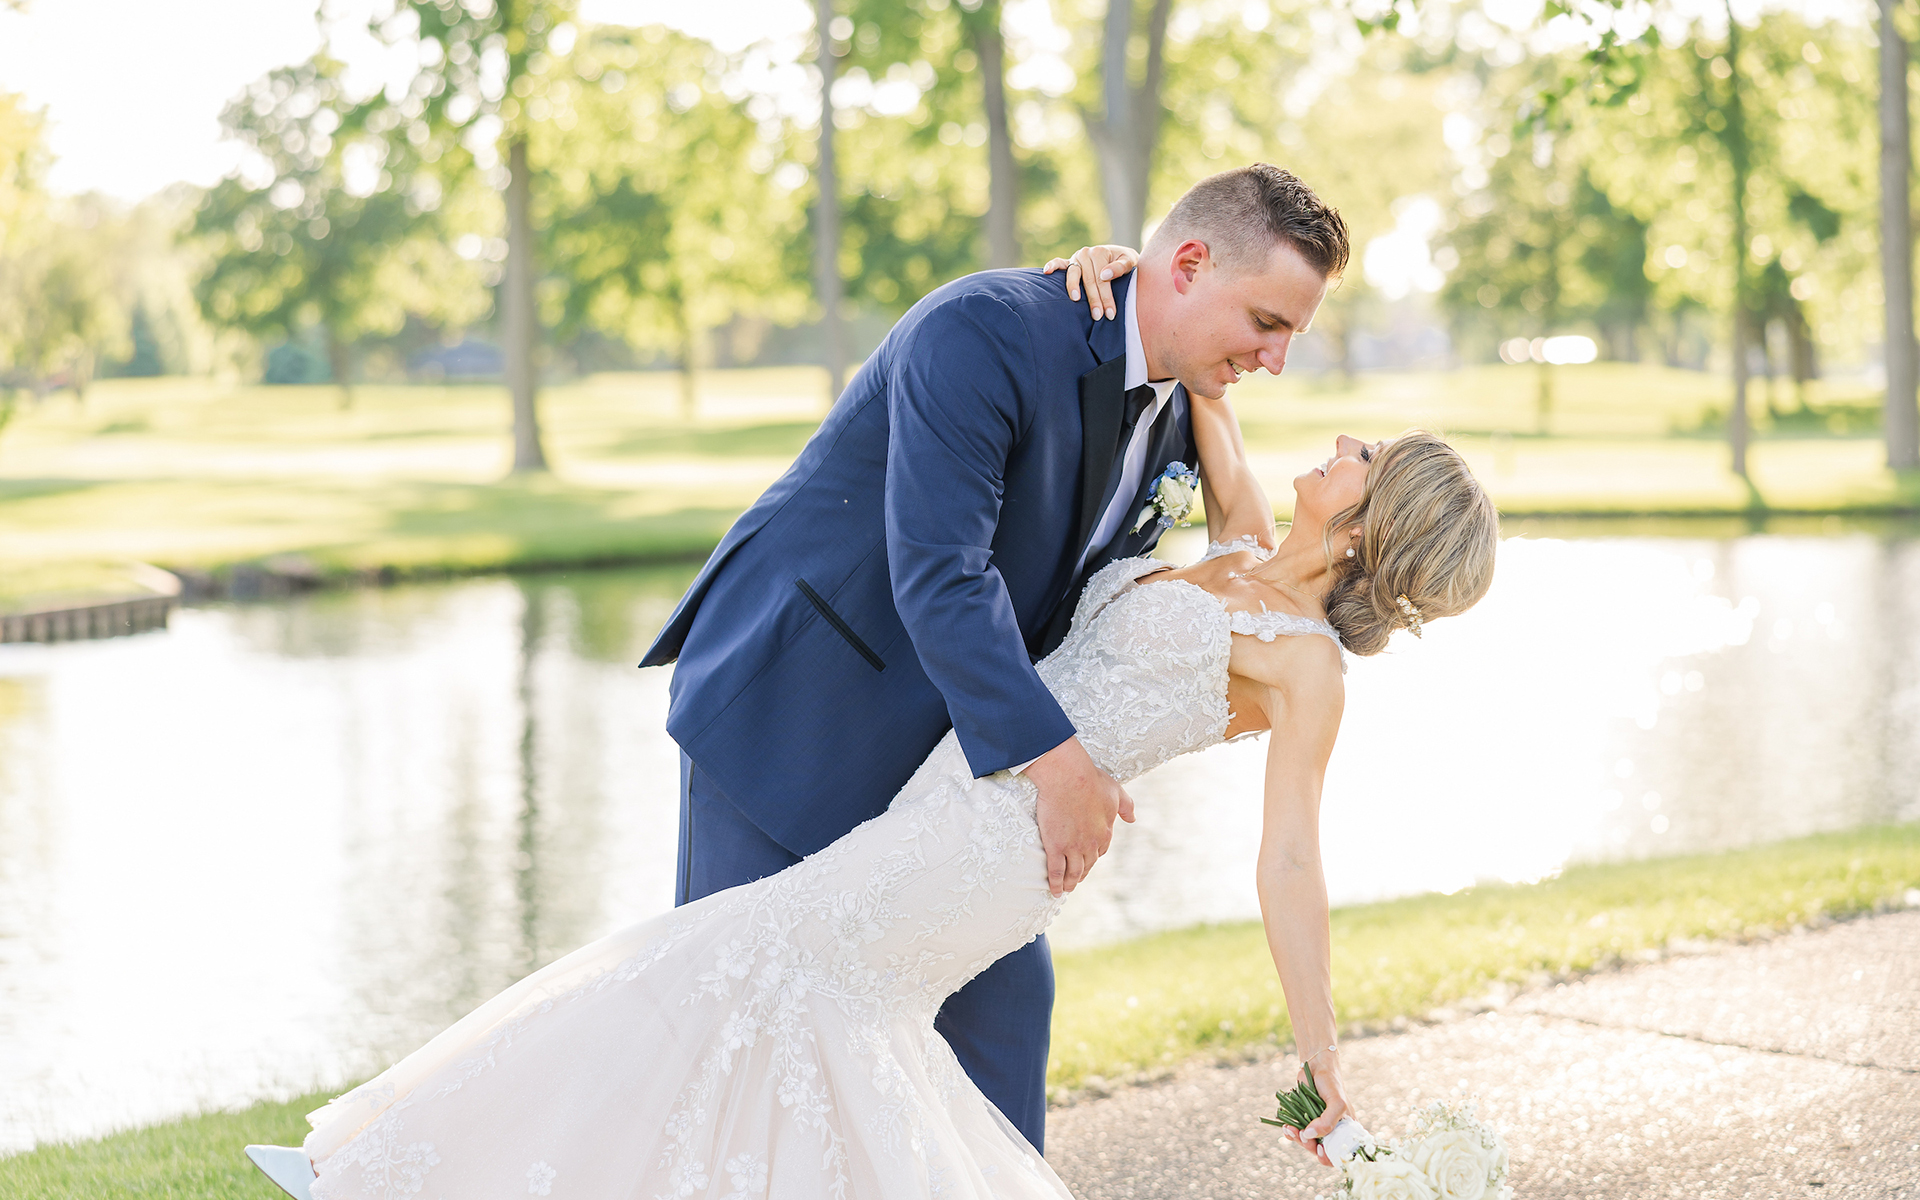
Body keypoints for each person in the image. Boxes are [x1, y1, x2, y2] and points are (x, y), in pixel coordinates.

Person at [245, 413, 1500, 1198]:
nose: (1345, 442)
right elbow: (1207, 385)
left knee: (739, 967)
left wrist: (1322, 1058)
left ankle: (398, 1171)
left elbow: (1290, 862)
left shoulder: (1306, 669)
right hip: (948, 796)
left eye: (1369, 459)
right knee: (804, 1021)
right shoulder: (1239, 550)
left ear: (1377, 524)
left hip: (994, 853)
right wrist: (1113, 265)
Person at [637, 162, 1348, 1155]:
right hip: (797, 713)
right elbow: (942, 575)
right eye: (1266, 323)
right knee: (731, 1040)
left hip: (953, 773)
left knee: (1004, 1018)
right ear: (1189, 264)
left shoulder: (1187, 411)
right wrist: (1063, 766)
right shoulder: (984, 330)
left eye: (1290, 336)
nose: (1275, 359)